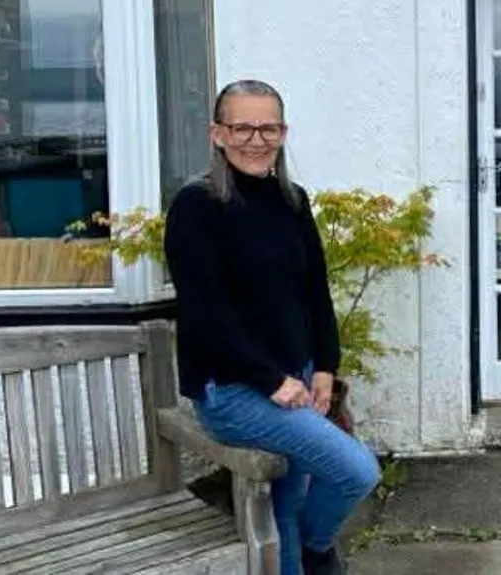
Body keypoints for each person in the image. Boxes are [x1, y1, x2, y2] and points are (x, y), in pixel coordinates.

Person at [164, 79, 380, 575]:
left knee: (284, 506)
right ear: (217, 134)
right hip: (236, 392)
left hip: (296, 380)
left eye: (268, 128)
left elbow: (315, 294)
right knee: (356, 470)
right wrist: (271, 381)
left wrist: (324, 366)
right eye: (242, 127)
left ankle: (300, 555)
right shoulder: (197, 208)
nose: (255, 139)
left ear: (283, 133)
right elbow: (206, 314)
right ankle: (316, 548)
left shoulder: (292, 200)